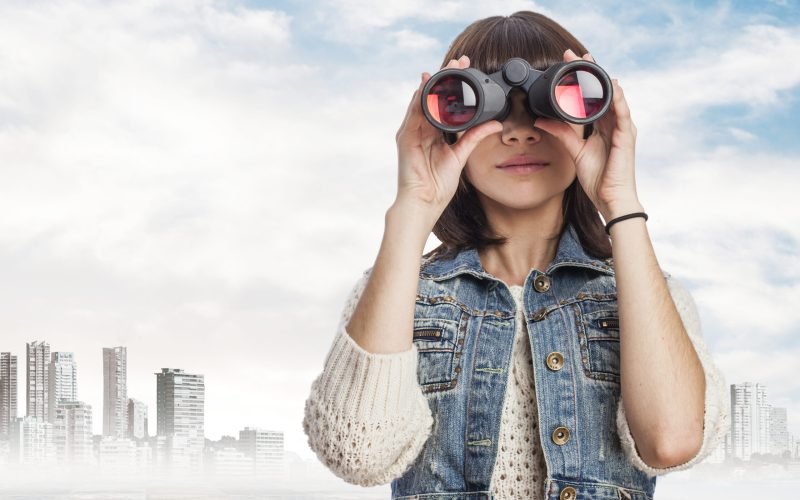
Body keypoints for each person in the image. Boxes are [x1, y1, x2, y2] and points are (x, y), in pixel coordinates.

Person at [303, 10, 728, 500]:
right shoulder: (400, 292)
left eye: (550, 104)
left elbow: (670, 441)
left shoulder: (648, 292)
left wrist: (621, 203)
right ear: (447, 126)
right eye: (489, 108)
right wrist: (411, 211)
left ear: (591, 121)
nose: (519, 133)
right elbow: (358, 453)